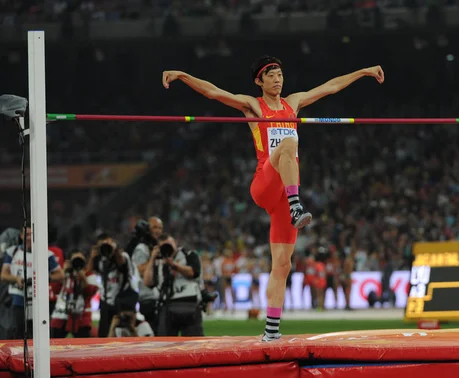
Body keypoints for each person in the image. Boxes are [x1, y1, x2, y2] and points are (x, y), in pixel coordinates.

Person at [162, 56, 384, 341]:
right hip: (265, 183)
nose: (278, 79)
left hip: (287, 192)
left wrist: (363, 71)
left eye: (280, 74)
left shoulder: (295, 102)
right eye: (271, 75)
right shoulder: (254, 105)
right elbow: (214, 92)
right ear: (259, 81)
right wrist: (182, 75)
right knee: (289, 143)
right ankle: (296, 205)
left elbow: (331, 87)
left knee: (282, 264)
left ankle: (271, 332)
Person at [0, 227, 64, 339]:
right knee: (18, 333)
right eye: (27, 234)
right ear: (21, 236)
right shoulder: (12, 252)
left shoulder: (46, 254)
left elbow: (60, 275)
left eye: (32, 234)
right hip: (18, 298)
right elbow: (4, 275)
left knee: (39, 334)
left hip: (38, 299)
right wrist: (16, 279)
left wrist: (43, 278)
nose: (29, 237)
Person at [50, 250, 99, 338]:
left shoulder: (89, 274)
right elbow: (56, 290)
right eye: (75, 260)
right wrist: (63, 271)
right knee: (55, 345)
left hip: (82, 317)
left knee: (83, 347)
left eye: (80, 259)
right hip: (61, 315)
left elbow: (90, 292)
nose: (77, 262)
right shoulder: (65, 274)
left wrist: (83, 277)